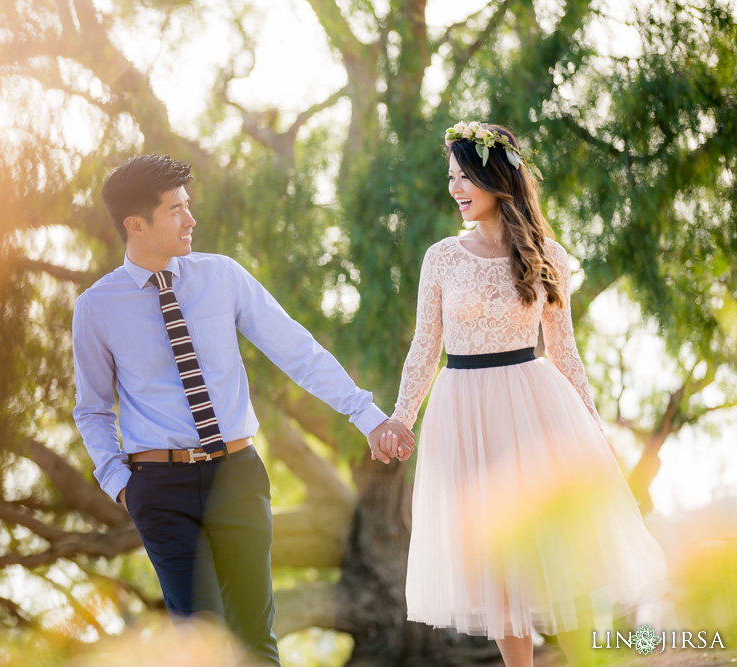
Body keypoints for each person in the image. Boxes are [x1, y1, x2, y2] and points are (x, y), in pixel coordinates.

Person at [72, 154, 414, 665]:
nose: (191, 220)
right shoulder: (98, 308)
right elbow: (94, 409)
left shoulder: (222, 277)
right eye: (176, 211)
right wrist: (121, 483)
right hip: (159, 489)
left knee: (255, 636)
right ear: (135, 225)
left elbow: (298, 351)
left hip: (236, 474)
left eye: (189, 206)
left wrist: (369, 416)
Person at [386, 122, 671, 667]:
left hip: (532, 405)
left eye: (465, 175)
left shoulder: (549, 255)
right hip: (463, 411)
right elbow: (425, 346)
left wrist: (592, 427)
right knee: (496, 559)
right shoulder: (441, 257)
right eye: (451, 177)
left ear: (497, 176)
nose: (455, 188)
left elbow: (564, 352)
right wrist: (402, 418)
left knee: (557, 548)